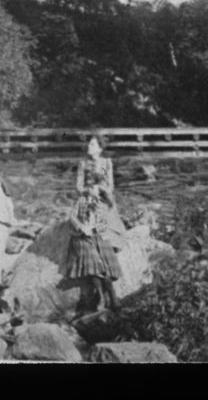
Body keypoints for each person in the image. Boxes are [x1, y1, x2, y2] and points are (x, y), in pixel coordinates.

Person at [63, 184, 122, 314]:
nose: (91, 190)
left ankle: (111, 295)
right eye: (90, 187)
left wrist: (95, 229)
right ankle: (101, 296)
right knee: (92, 261)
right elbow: (72, 217)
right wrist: (81, 227)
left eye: (94, 188)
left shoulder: (102, 204)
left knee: (105, 262)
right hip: (82, 236)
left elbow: (105, 223)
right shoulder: (81, 200)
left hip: (98, 236)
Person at [75, 133, 127, 251]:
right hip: (87, 196)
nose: (89, 146)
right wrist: (88, 190)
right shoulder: (83, 163)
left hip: (103, 196)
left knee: (107, 212)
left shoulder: (105, 163)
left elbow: (109, 184)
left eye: (92, 144)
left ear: (99, 148)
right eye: (89, 143)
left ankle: (111, 242)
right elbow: (78, 186)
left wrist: (101, 189)